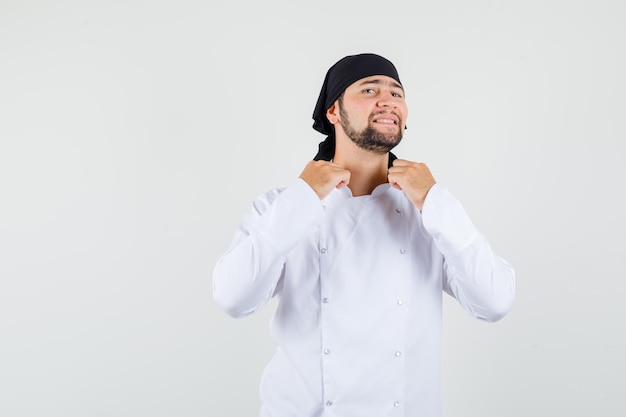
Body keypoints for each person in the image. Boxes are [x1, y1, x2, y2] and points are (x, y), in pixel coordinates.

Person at [213, 53, 515, 417]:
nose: (387, 100)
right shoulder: (280, 206)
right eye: (369, 89)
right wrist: (303, 196)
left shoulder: (430, 212)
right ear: (333, 112)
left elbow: (495, 302)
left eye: (396, 93)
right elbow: (233, 298)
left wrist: (434, 199)